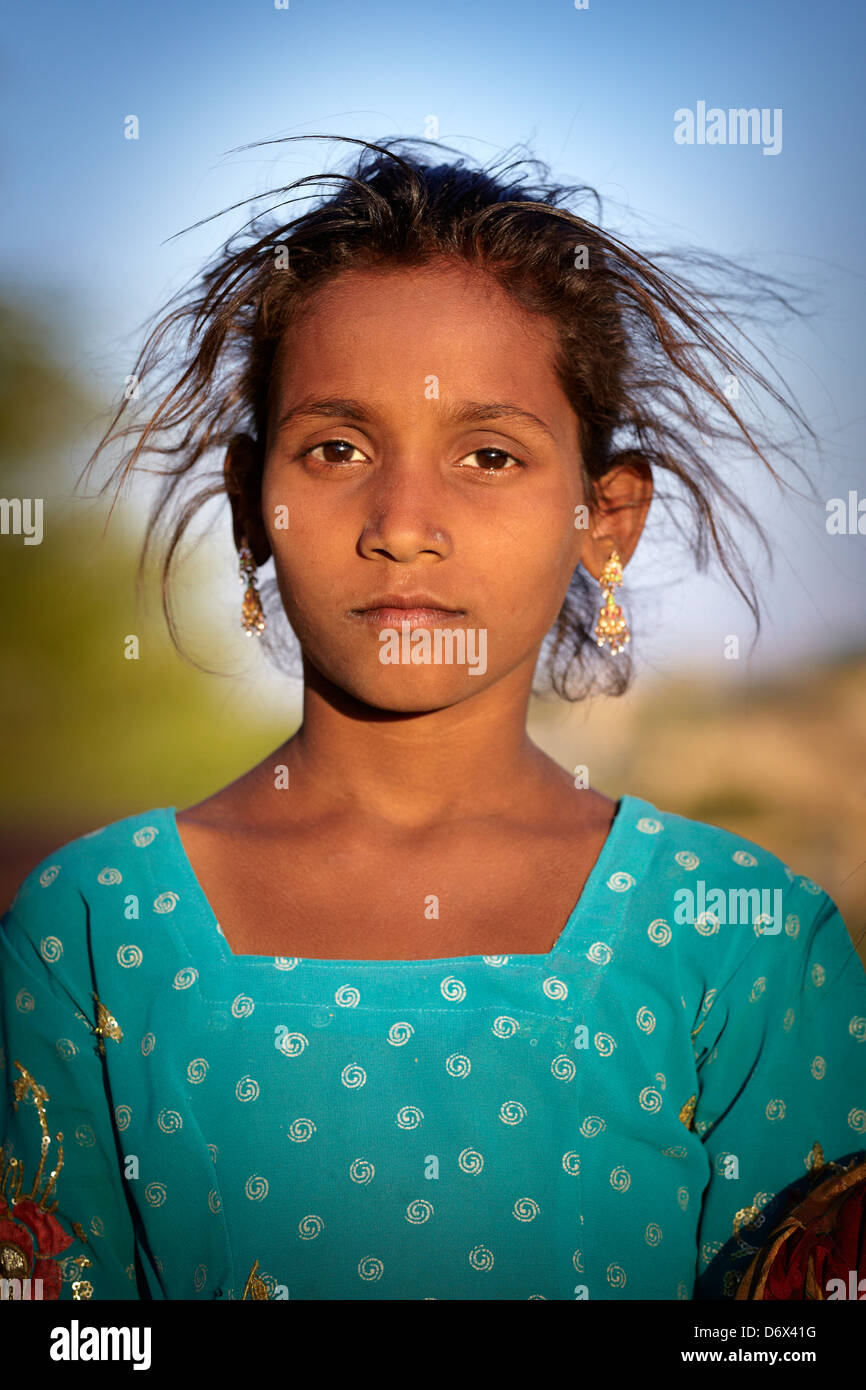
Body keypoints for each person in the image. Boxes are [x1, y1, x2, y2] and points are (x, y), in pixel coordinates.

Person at [2, 137, 864, 1302]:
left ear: (603, 520)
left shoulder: (741, 942)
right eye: (337, 448)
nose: (404, 521)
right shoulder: (94, 928)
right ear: (254, 506)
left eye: (489, 454)